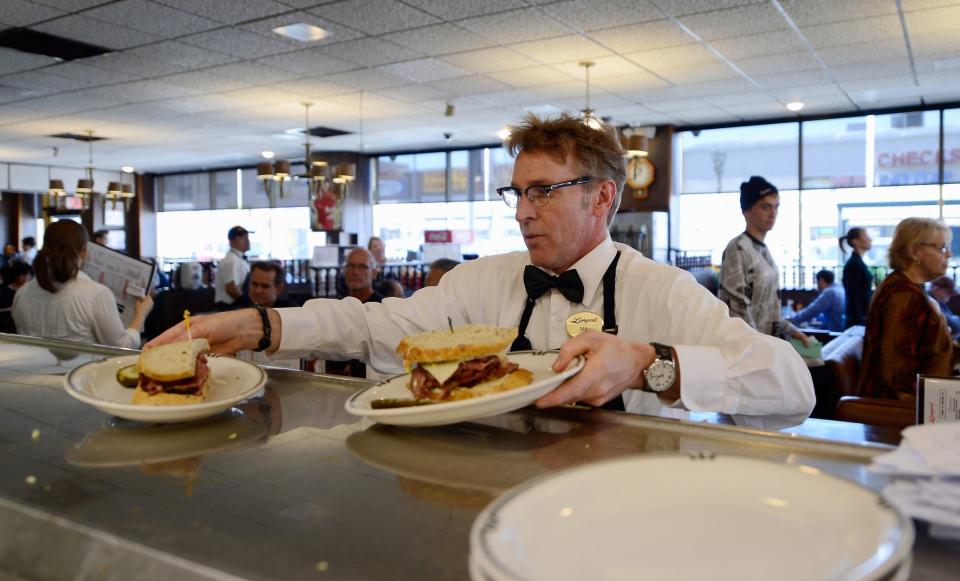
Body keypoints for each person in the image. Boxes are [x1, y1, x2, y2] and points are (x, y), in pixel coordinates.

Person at [149, 113, 814, 424]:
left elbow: (790, 386)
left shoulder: (660, 289)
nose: (523, 212)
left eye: (544, 191)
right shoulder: (480, 282)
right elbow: (371, 325)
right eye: (517, 193)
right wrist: (261, 324)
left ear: (602, 197)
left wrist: (650, 364)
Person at [12, 220, 153, 347]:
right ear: (85, 252)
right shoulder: (96, 294)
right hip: (79, 375)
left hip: (31, 374)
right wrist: (140, 315)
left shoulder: (22, 293)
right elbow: (121, 346)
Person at [858, 218, 954, 400]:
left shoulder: (904, 287)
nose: (948, 254)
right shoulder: (903, 295)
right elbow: (897, 375)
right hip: (898, 411)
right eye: (941, 247)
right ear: (914, 251)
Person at [718, 176, 810, 347]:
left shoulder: (763, 250)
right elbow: (737, 311)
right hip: (747, 350)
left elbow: (770, 311)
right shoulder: (737, 249)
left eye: (776, 207)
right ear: (747, 210)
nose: (773, 213)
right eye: (765, 207)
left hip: (765, 346)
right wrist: (762, 348)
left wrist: (794, 331)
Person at [325, 248, 385, 378]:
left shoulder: (382, 308)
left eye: (363, 267)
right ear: (344, 271)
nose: (356, 272)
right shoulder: (337, 307)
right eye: (350, 266)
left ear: (374, 272)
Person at [839, 227, 873, 327]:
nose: (870, 239)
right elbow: (853, 296)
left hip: (860, 318)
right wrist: (860, 321)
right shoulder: (854, 264)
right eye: (866, 236)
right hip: (857, 320)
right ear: (856, 242)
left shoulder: (857, 262)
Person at [214, 226, 251, 310]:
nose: (247, 241)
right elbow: (231, 288)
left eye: (247, 237)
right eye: (242, 238)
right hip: (230, 308)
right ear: (232, 241)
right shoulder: (232, 260)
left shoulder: (237, 258)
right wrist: (247, 302)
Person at [1, 260, 32, 333]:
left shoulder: (31, 290)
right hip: (7, 325)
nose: (26, 277)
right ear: (15, 275)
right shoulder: (4, 290)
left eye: (28, 274)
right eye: (22, 275)